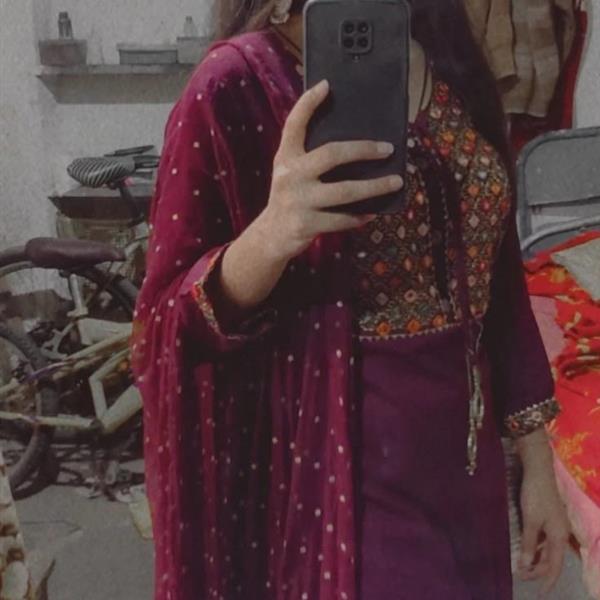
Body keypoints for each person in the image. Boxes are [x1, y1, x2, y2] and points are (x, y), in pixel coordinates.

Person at [131, 1, 570, 598]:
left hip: (470, 475)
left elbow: (500, 283)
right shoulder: (236, 83)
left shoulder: (451, 59)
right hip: (345, 477)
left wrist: (538, 464)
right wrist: (270, 237)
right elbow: (163, 326)